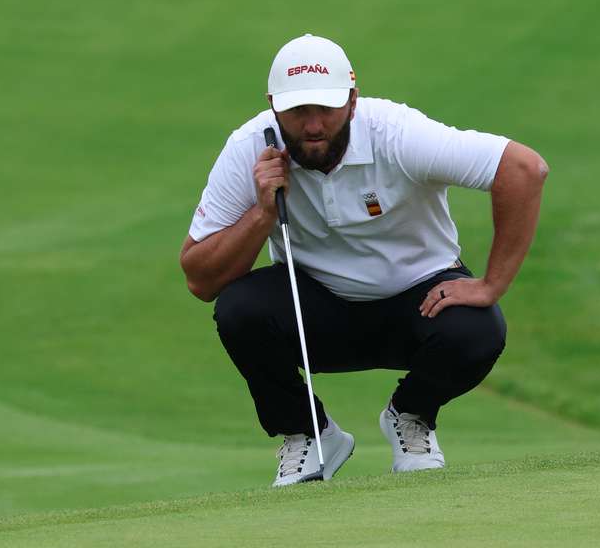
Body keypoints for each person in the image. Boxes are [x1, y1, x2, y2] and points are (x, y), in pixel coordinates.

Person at [180, 33, 548, 487]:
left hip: (419, 300)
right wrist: (262, 214)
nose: (313, 125)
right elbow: (200, 278)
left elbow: (524, 169)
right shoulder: (249, 148)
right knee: (240, 309)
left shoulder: (397, 133)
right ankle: (309, 433)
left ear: (353, 101)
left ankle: (410, 417)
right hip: (316, 305)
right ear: (274, 105)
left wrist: (492, 284)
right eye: (298, 111)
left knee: (478, 330)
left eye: (326, 109)